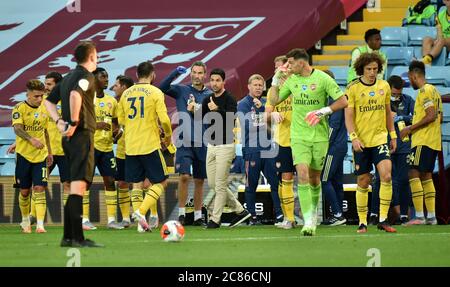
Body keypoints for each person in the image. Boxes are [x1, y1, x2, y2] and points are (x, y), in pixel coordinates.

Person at [268, 48, 348, 236]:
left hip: (319, 136)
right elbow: (274, 100)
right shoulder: (292, 80)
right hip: (298, 136)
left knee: (314, 179)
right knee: (302, 174)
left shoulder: (322, 78)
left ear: (301, 62)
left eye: (290, 63)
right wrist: (275, 81)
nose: (288, 67)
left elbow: (343, 101)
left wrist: (323, 111)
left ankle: (312, 215)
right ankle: (309, 220)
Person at [45, 40, 102, 247]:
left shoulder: (67, 77)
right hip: (81, 135)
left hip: (69, 139)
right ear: (92, 56)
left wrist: (59, 121)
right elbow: (76, 94)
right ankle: (76, 238)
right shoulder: (85, 77)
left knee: (75, 187)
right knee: (78, 186)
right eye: (97, 55)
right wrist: (74, 121)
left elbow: (49, 101)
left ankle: (68, 237)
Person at [344, 52, 397, 234]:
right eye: (369, 69)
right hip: (362, 142)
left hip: (380, 139)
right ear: (361, 69)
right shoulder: (353, 88)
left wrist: (393, 135)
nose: (372, 72)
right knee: (363, 181)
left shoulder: (384, 86)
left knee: (387, 176)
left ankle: (383, 219)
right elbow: (349, 117)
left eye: (375, 69)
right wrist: (354, 138)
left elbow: (387, 113)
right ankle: (362, 222)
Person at [117, 61, 172, 232]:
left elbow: (121, 121)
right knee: (162, 181)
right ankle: (141, 212)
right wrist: (168, 136)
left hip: (131, 145)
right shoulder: (155, 92)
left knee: (136, 184)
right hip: (149, 144)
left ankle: (141, 225)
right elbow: (164, 119)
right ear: (152, 74)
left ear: (137, 75)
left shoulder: (126, 93)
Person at [159, 62, 211, 226]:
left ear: (205, 75)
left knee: (200, 180)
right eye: (194, 72)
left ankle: (197, 216)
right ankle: (181, 214)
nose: (196, 75)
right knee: (184, 177)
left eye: (200, 72)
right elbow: (162, 87)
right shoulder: (182, 90)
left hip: (202, 141)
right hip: (184, 141)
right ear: (190, 74)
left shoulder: (210, 94)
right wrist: (175, 72)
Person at [200, 68, 251, 229]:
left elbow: (230, 120)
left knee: (220, 184)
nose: (214, 83)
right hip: (211, 145)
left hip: (226, 145)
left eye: (217, 80)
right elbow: (202, 117)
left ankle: (215, 219)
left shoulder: (229, 98)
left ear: (223, 82)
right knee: (214, 184)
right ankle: (240, 211)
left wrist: (216, 110)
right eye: (212, 80)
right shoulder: (207, 98)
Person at [400, 60, 443, 225]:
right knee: (426, 176)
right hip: (433, 140)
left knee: (413, 173)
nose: (410, 81)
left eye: (409, 78)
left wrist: (410, 128)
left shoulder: (424, 91)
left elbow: (431, 115)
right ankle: (431, 217)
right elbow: (439, 117)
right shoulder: (435, 91)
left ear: (413, 75)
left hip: (422, 140)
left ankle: (419, 217)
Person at [237, 74, 282, 225]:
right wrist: (266, 116)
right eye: (255, 85)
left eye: (260, 85)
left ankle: (280, 214)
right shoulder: (242, 104)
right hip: (252, 149)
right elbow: (248, 125)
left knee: (274, 183)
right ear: (249, 86)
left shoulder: (265, 103)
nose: (258, 87)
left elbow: (272, 126)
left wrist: (262, 110)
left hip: (268, 149)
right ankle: (252, 216)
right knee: (251, 185)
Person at [371, 75, 416, 225]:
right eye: (393, 94)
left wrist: (401, 117)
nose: (396, 96)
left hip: (403, 146)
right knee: (380, 180)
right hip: (383, 144)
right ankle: (375, 214)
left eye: (398, 94)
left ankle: (403, 214)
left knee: (403, 180)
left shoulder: (408, 100)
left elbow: (416, 117)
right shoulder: (380, 100)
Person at [12, 79, 52, 233]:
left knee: (40, 188)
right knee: (24, 191)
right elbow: (17, 129)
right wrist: (31, 140)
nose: (40, 99)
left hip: (40, 156)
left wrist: (49, 152)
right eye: (36, 96)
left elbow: (46, 131)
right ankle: (25, 220)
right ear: (28, 94)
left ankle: (40, 225)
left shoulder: (44, 108)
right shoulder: (19, 108)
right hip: (23, 155)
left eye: (41, 96)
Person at [265, 56, 296, 229]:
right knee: (286, 177)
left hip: (302, 138)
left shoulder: (297, 85)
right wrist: (272, 115)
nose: (279, 71)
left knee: (309, 178)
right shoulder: (273, 91)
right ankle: (289, 219)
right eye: (277, 69)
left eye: (282, 68)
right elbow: (265, 116)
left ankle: (310, 217)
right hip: (283, 140)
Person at [90, 67, 122, 230]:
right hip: (90, 147)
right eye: (103, 76)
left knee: (110, 181)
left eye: (107, 76)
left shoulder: (112, 101)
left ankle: (111, 220)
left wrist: (116, 131)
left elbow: (116, 121)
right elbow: (78, 123)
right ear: (94, 79)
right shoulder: (86, 99)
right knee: (86, 182)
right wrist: (96, 125)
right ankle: (84, 220)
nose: (106, 79)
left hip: (107, 147)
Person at [320, 70, 348, 226]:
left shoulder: (334, 99)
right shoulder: (333, 98)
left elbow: (334, 126)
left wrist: (324, 145)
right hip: (340, 145)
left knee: (324, 179)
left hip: (333, 147)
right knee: (336, 181)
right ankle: (340, 214)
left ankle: (337, 214)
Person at [111, 75, 134, 228]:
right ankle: (126, 218)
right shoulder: (114, 104)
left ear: (124, 87)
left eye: (116, 85)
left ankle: (150, 215)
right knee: (122, 183)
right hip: (121, 151)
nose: (113, 87)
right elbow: (115, 128)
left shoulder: (134, 102)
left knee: (144, 184)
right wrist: (115, 134)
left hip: (138, 148)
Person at [421, 0, 450, 65]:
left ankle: (426, 60)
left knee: (442, 40)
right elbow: (439, 33)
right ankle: (426, 64)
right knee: (426, 39)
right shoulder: (440, 15)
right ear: (444, 1)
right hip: (444, 41)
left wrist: (441, 40)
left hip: (447, 41)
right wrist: (439, 40)